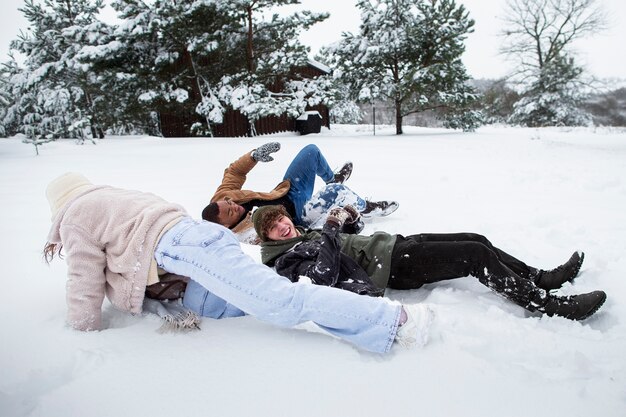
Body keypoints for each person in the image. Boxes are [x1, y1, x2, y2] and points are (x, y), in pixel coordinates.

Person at [43, 172, 432, 354]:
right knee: (238, 306)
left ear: (59, 207)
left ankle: (393, 320)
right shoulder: (112, 195)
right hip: (191, 250)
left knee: (280, 303)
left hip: (184, 248)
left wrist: (81, 332)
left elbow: (83, 279)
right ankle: (371, 317)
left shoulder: (76, 215)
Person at [251, 205, 607, 321]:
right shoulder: (287, 260)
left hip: (394, 244)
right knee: (475, 256)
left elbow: (346, 239)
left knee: (477, 239)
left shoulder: (301, 237)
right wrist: (330, 228)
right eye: (274, 227)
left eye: (281, 219)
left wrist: (348, 219)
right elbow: (324, 275)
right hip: (392, 266)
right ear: (267, 238)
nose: (283, 226)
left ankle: (540, 277)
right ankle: (546, 304)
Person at [201, 143, 398, 243]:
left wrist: (254, 156)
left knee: (310, 151)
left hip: (288, 192)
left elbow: (235, 172)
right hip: (299, 216)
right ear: (226, 226)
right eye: (230, 212)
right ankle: (367, 206)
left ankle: (331, 178)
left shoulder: (221, 199)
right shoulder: (241, 237)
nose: (233, 205)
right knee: (335, 192)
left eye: (229, 203)